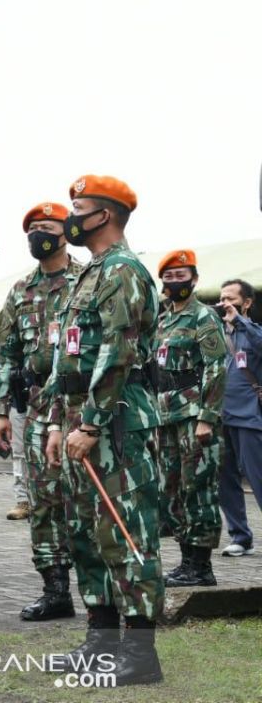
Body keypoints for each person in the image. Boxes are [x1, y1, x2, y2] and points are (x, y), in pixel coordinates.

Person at [43, 175, 162, 685]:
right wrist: (56, 422)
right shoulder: (90, 274)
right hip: (79, 422)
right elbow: (67, 358)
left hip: (114, 425)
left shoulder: (124, 272)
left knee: (125, 530)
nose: (71, 217)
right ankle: (101, 639)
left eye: (79, 207)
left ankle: (139, 653)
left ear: (105, 216)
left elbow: (119, 352)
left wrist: (90, 423)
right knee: (87, 534)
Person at [0, 202, 82, 621]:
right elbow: (4, 354)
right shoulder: (21, 290)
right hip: (40, 410)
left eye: (46, 227)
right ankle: (56, 591)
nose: (38, 235)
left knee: (84, 501)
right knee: (43, 503)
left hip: (82, 410)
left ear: (67, 231)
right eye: (32, 230)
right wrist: (0, 410)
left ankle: (106, 594)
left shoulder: (88, 280)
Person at [151, 251, 226, 587]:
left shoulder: (203, 317)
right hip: (166, 414)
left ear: (194, 279)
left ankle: (202, 566)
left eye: (181, 275)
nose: (175, 281)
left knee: (199, 488)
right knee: (173, 489)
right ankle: (185, 563)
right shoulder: (163, 321)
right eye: (169, 276)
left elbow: (216, 366)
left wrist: (208, 416)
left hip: (194, 415)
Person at [216, 278, 262, 558]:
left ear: (247, 303)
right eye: (222, 298)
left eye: (231, 298)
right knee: (226, 481)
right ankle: (240, 537)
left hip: (248, 417)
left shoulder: (253, 331)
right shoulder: (216, 334)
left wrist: (239, 322)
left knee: (258, 479)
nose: (225, 303)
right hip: (220, 417)